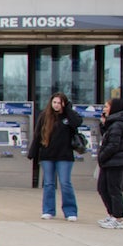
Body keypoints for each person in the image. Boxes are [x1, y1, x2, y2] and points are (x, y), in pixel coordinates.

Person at [29, 92, 82, 221]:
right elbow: (37, 135)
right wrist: (33, 153)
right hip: (48, 155)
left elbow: (77, 123)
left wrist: (68, 109)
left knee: (65, 183)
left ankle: (70, 211)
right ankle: (48, 210)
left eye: (59, 103)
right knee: (48, 184)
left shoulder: (68, 117)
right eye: (54, 102)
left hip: (65, 156)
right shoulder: (44, 116)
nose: (56, 105)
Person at [96, 96, 123, 229]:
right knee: (103, 188)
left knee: (113, 189)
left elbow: (113, 145)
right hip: (109, 162)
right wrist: (103, 124)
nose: (104, 109)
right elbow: (106, 137)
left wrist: (102, 156)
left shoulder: (118, 124)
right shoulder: (113, 123)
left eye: (106, 106)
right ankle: (112, 214)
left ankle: (118, 218)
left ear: (113, 108)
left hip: (115, 162)